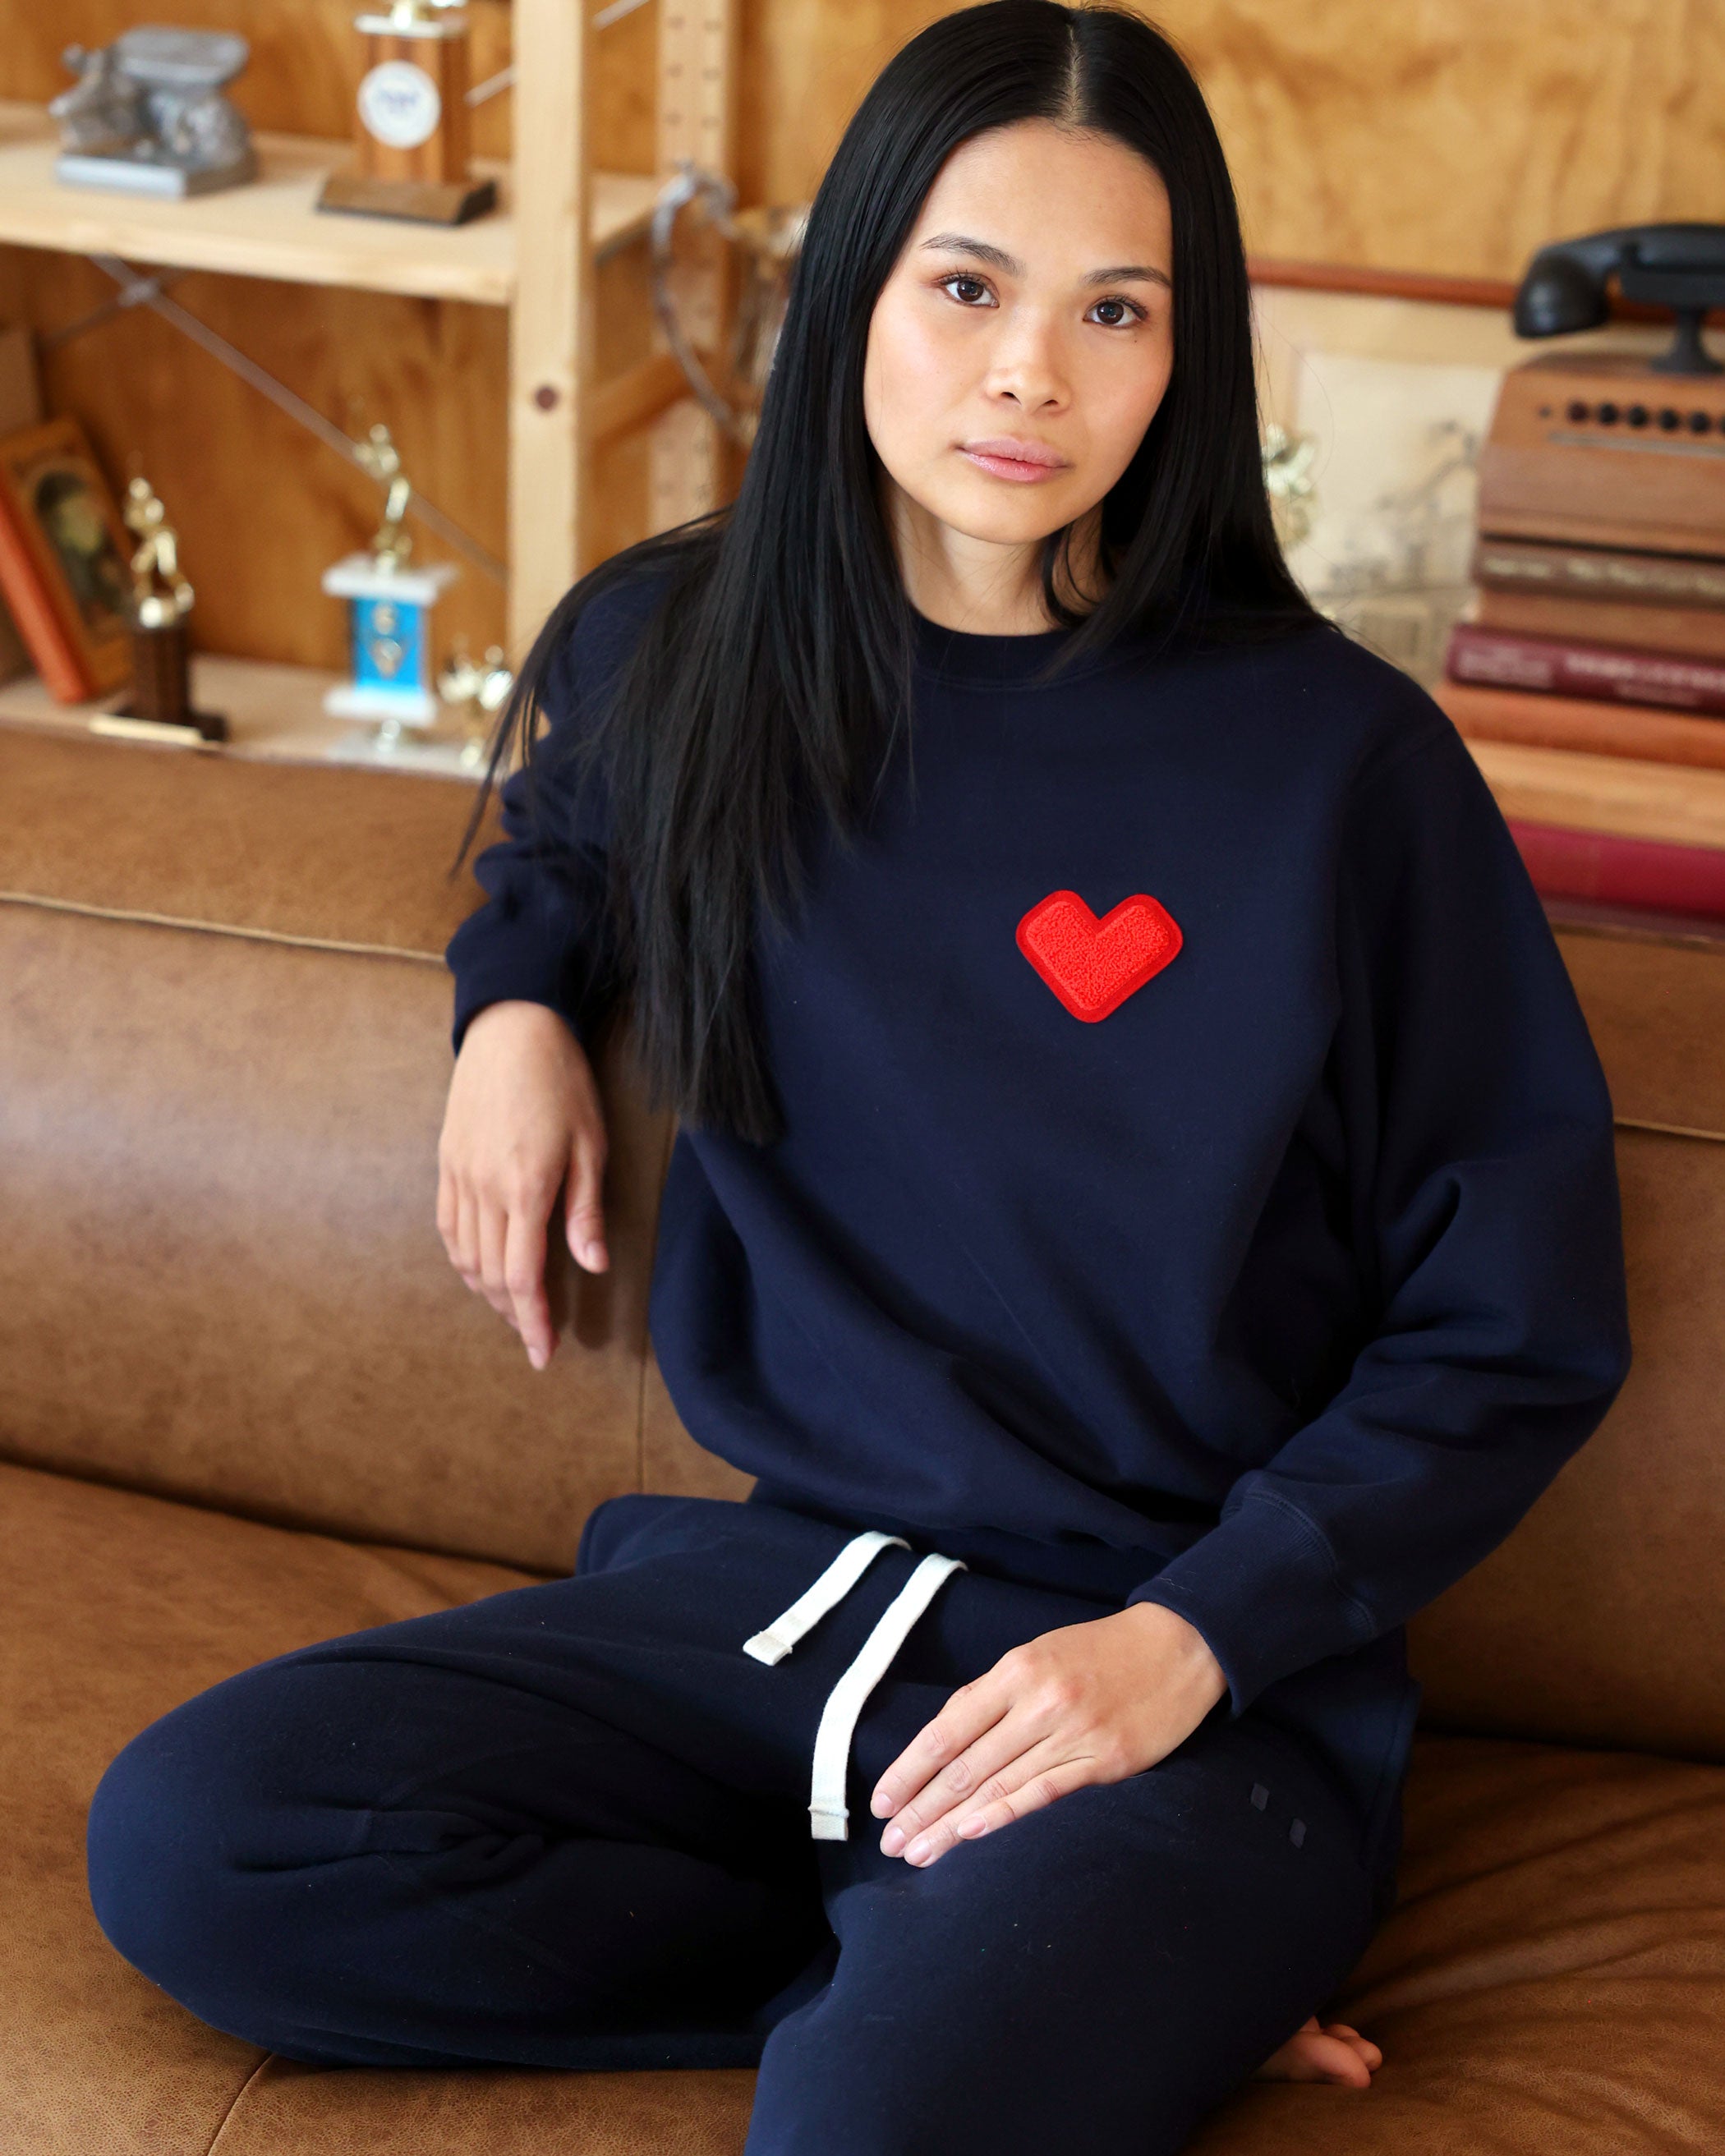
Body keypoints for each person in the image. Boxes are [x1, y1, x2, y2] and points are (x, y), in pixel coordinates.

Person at [84, 6, 1631, 2150]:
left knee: (879, 2129)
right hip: (772, 1606)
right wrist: (513, 1010)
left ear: (1186, 356)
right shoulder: (677, 651)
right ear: (854, 298)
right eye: (967, 287)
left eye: (1115, 311)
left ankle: (1019, 1983)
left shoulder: (1340, 770)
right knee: (199, 1842)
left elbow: (1516, 1318)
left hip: (1176, 1681)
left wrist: (1198, 1636)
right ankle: (939, 1970)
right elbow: (559, 844)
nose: (1031, 374)